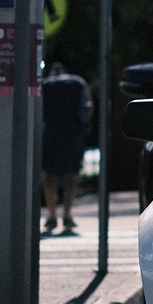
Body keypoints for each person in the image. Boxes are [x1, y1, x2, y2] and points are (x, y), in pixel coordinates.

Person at [40, 63, 90, 233]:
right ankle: (67, 215)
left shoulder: (44, 85)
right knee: (71, 175)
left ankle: (52, 215)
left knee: (50, 176)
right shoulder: (78, 83)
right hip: (72, 134)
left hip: (50, 133)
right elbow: (88, 106)